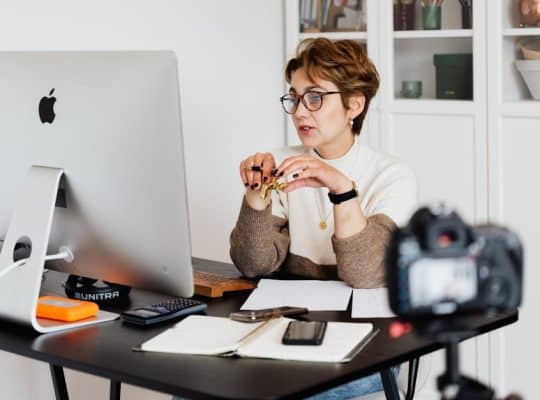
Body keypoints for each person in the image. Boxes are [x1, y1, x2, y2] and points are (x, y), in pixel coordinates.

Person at [229, 38, 417, 399]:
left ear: (354, 105)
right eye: (295, 97)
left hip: (371, 345)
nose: (301, 111)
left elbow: (366, 275)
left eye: (315, 97)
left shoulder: (392, 175)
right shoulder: (281, 164)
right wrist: (256, 197)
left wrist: (341, 189)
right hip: (289, 334)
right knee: (198, 387)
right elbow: (253, 264)